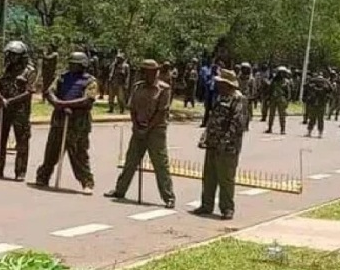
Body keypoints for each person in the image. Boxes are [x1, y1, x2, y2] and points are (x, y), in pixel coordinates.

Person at [104, 59, 175, 208]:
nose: (146, 75)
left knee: (160, 164)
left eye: (149, 72)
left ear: (156, 72)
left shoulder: (164, 89)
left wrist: (147, 128)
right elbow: (133, 109)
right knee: (130, 161)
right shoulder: (138, 87)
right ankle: (120, 190)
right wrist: (137, 126)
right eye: (144, 72)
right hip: (139, 128)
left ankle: (168, 197)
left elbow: (161, 113)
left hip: (156, 130)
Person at [35, 52, 98, 193]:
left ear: (82, 65)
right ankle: (43, 177)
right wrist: (57, 103)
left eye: (74, 64)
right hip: (60, 120)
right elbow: (50, 91)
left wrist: (65, 104)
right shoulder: (62, 78)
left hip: (78, 123)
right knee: (51, 151)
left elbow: (88, 100)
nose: (71, 66)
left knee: (79, 154)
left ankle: (86, 182)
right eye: (70, 63)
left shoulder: (90, 81)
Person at [192, 69, 247, 221]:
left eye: (220, 82)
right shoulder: (220, 97)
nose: (218, 84)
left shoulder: (238, 99)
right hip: (213, 143)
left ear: (227, 84)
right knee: (209, 177)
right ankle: (206, 205)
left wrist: (225, 141)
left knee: (226, 178)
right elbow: (212, 119)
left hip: (228, 147)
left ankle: (227, 208)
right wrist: (205, 136)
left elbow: (237, 124)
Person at [0, 40, 37, 180]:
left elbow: (29, 92)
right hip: (3, 108)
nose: (11, 57)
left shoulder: (29, 71)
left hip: (20, 110)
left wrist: (11, 101)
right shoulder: (5, 68)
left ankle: (20, 172)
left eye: (14, 55)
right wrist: (0, 97)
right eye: (10, 54)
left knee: (22, 141)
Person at [304, 73, 331, 138]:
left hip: (317, 104)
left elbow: (305, 86)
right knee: (318, 119)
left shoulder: (314, 86)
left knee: (314, 119)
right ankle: (318, 133)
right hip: (318, 104)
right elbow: (330, 90)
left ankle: (311, 132)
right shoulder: (324, 86)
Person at [266, 66, 290, 135]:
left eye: (283, 73)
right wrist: (268, 98)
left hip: (282, 99)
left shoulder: (286, 82)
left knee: (282, 115)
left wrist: (287, 101)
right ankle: (270, 128)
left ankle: (282, 129)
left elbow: (288, 92)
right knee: (271, 114)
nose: (281, 74)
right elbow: (270, 90)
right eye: (280, 72)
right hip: (273, 99)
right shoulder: (273, 80)